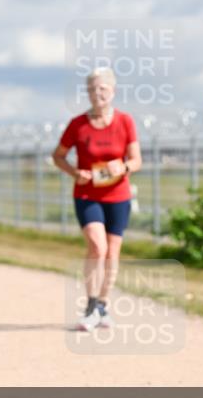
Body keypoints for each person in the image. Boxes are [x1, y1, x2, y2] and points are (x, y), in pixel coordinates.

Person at [52, 67, 142, 331]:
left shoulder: (125, 122)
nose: (96, 93)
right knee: (97, 247)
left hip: (118, 195)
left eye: (102, 88)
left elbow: (136, 160)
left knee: (112, 253)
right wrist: (73, 172)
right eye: (91, 89)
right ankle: (91, 305)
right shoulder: (77, 125)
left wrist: (123, 168)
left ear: (112, 91)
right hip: (87, 194)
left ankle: (103, 305)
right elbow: (58, 155)